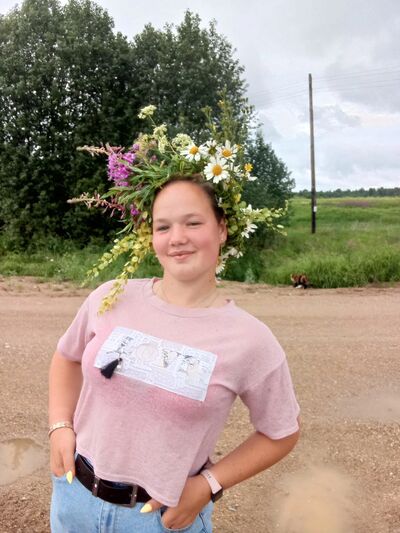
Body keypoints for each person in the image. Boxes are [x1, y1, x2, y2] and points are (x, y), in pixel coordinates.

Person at [48, 107, 300, 533]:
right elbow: (66, 357)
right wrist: (59, 426)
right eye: (163, 227)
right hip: (74, 500)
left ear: (222, 228)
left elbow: (281, 432)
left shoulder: (250, 339)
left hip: (158, 521)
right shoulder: (110, 297)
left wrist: (209, 484)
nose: (177, 238)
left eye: (193, 222)